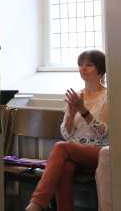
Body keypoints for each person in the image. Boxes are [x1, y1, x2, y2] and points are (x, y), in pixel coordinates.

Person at [26, 50, 109, 211]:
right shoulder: (76, 95)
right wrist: (71, 113)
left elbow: (103, 132)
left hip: (100, 152)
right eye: (80, 65)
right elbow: (66, 133)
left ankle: (37, 204)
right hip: (74, 152)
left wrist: (83, 110)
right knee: (65, 167)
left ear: (101, 70)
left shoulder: (108, 96)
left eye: (89, 65)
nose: (83, 68)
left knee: (60, 147)